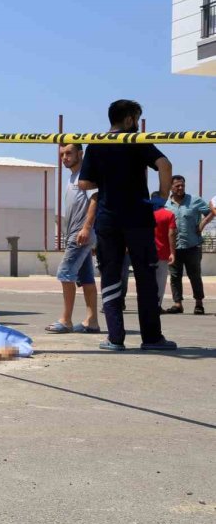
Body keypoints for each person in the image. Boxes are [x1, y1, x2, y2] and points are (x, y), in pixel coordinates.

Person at [78, 99, 176, 351]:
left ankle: (115, 338)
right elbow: (165, 165)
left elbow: (84, 183)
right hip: (138, 218)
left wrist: (107, 180)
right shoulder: (136, 141)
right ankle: (151, 338)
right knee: (145, 276)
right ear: (130, 119)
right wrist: (162, 195)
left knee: (110, 276)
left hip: (108, 219)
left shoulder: (96, 143)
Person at [46, 143, 100, 334]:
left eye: (69, 153)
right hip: (75, 234)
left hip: (80, 234)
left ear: (80, 153)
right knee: (86, 278)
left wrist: (86, 228)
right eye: (62, 154)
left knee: (65, 273)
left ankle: (66, 320)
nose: (64, 158)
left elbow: (95, 199)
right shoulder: (73, 177)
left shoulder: (86, 174)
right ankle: (92, 321)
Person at [164, 176, 213, 315]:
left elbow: (211, 211)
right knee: (175, 276)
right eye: (177, 186)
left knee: (195, 276)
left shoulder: (195, 200)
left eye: (182, 185)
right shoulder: (166, 205)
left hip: (192, 246)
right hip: (173, 248)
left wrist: (202, 224)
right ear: (171, 187)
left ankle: (199, 303)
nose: (180, 188)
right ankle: (177, 304)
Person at [150, 191, 177, 312]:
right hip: (163, 252)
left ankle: (147, 304)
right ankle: (157, 305)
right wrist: (172, 252)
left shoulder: (145, 214)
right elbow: (171, 234)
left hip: (146, 253)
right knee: (160, 281)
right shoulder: (168, 215)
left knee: (147, 280)